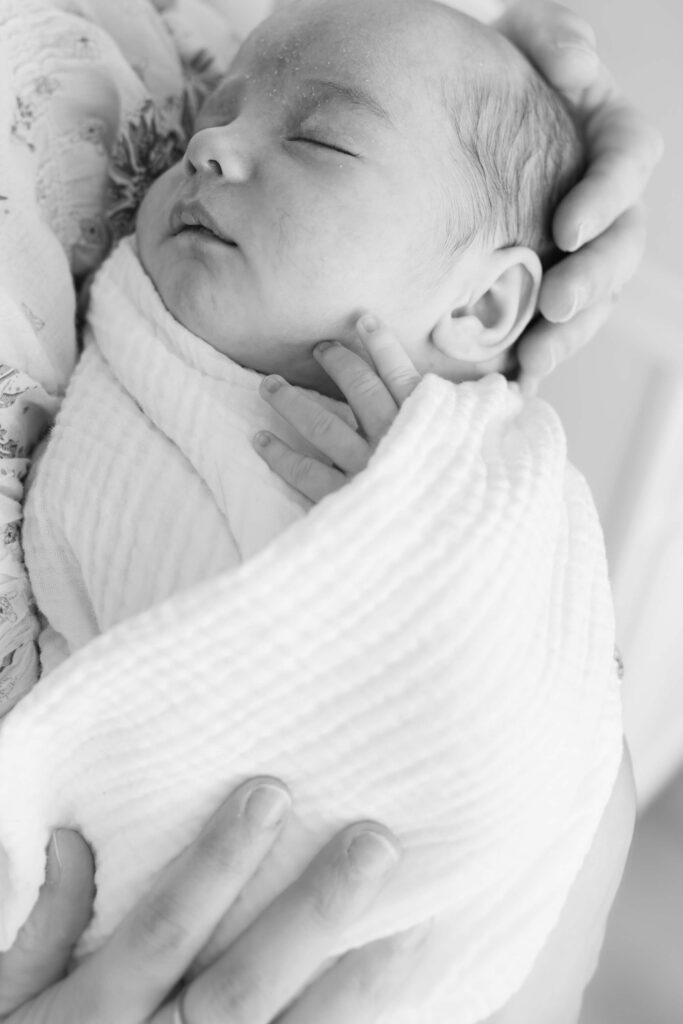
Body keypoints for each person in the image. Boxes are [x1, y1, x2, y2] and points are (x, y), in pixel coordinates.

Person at [0, 1, 662, 1022]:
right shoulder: (137, 361)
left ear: (482, 308)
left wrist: (430, 519)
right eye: (203, 125)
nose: (209, 144)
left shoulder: (476, 482)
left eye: (313, 138)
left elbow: (528, 717)